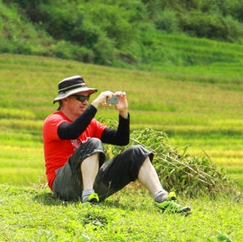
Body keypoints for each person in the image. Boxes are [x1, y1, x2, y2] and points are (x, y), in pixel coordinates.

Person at [42, 75, 190, 214]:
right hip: (63, 185)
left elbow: (121, 139)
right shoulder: (53, 121)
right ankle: (88, 198)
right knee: (93, 143)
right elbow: (72, 131)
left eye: (88, 98)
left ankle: (162, 199)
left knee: (137, 152)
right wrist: (95, 105)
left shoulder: (90, 124)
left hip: (91, 183)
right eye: (80, 98)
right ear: (64, 100)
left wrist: (123, 113)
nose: (85, 102)